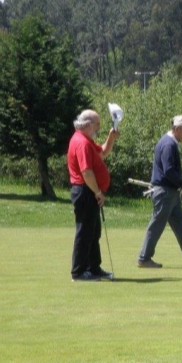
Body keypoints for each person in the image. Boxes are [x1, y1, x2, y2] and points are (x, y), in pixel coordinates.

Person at [137, 115, 182, 269]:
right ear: (177, 129)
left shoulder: (169, 142)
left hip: (170, 192)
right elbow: (169, 171)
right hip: (165, 192)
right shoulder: (169, 144)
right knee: (157, 224)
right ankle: (144, 258)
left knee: (181, 224)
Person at [67, 109, 119, 282]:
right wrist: (98, 192)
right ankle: (79, 272)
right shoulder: (81, 142)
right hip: (85, 191)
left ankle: (93, 268)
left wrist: (111, 138)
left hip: (89, 192)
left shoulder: (88, 141)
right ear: (88, 125)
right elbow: (86, 172)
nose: (99, 128)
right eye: (97, 125)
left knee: (94, 231)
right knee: (85, 231)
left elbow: (103, 152)